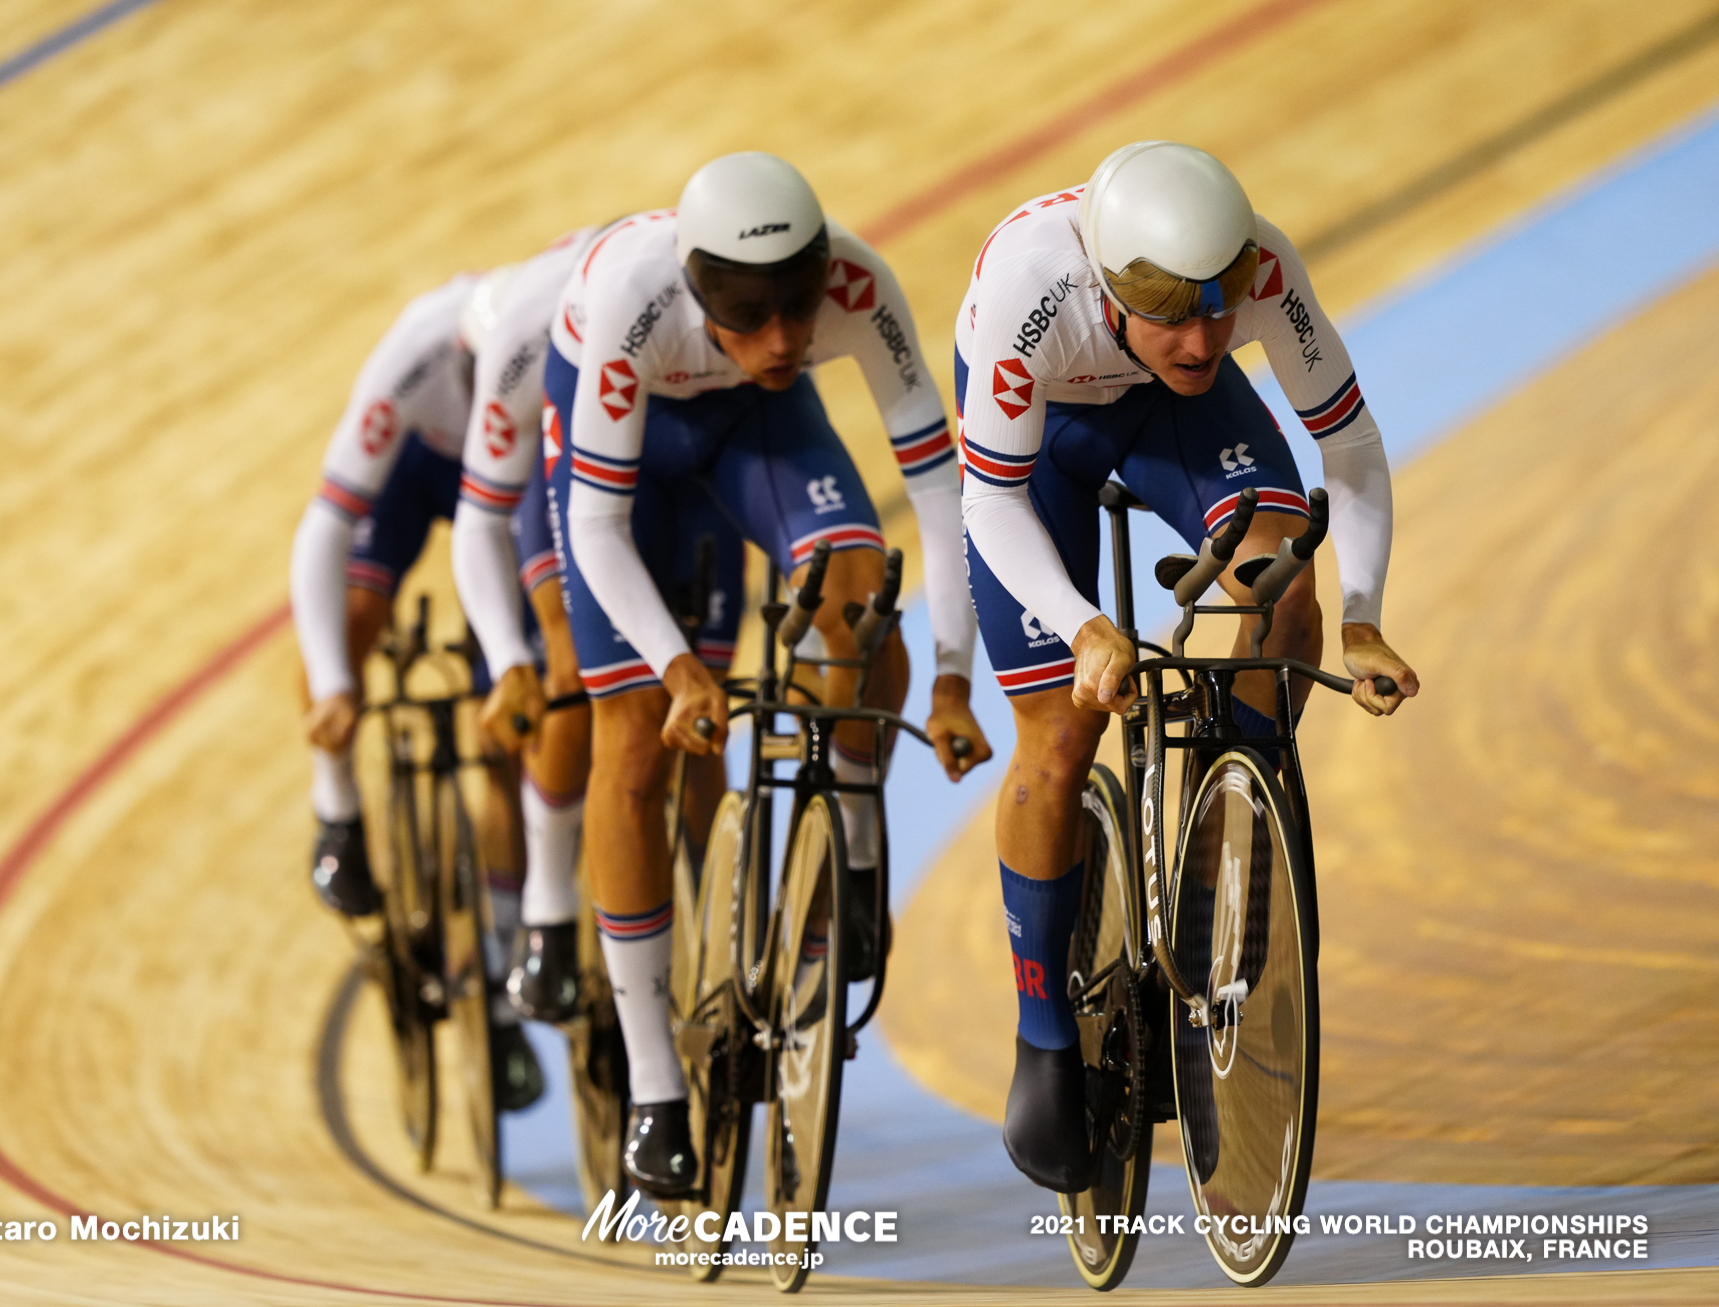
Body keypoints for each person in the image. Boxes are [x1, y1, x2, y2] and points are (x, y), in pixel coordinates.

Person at [954, 140, 1420, 1194]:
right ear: (1111, 288)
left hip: (1176, 420)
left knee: (1279, 587)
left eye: (1220, 312)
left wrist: (1359, 618)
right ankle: (1041, 1040)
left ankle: (1225, 827)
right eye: (1173, 315)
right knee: (1059, 737)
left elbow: (1345, 443)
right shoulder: (1032, 287)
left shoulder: (1258, 270)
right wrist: (1080, 624)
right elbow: (988, 499)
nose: (1207, 335)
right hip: (1045, 447)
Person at [550, 152, 991, 1197]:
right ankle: (655, 1084)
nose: (787, 338)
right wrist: (676, 670)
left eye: (797, 309)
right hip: (626, 476)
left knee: (855, 591)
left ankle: (853, 835)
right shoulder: (630, 294)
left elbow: (942, 489)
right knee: (631, 746)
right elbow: (597, 526)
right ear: (700, 287)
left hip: (762, 434)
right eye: (751, 315)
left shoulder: (853, 283)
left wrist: (950, 674)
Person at [287, 268, 540, 1106]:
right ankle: (340, 815)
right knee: (353, 616)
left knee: (508, 731)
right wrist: (332, 684)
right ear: (462, 355)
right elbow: (324, 529)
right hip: (415, 473)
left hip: (506, 493)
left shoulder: (550, 360)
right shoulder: (416, 351)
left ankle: (502, 966)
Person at [447, 227, 616, 1022]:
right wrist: (530, 654)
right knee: (549, 684)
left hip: (606, 478)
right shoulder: (508, 381)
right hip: (530, 513)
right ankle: (523, 920)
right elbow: (509, 521)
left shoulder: (569, 327)